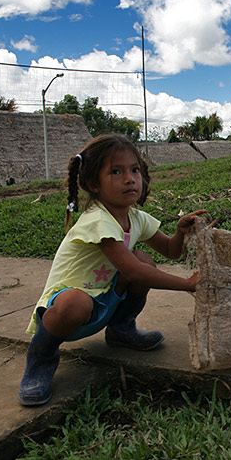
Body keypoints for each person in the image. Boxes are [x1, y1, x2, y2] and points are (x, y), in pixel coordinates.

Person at [19, 133, 206, 406]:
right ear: (94, 184)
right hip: (68, 310)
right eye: (116, 172)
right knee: (77, 300)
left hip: (105, 298)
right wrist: (187, 284)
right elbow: (134, 273)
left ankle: (121, 329)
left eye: (135, 170)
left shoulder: (135, 217)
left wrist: (179, 231)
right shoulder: (98, 220)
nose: (130, 179)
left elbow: (170, 251)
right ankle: (41, 357)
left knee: (144, 258)